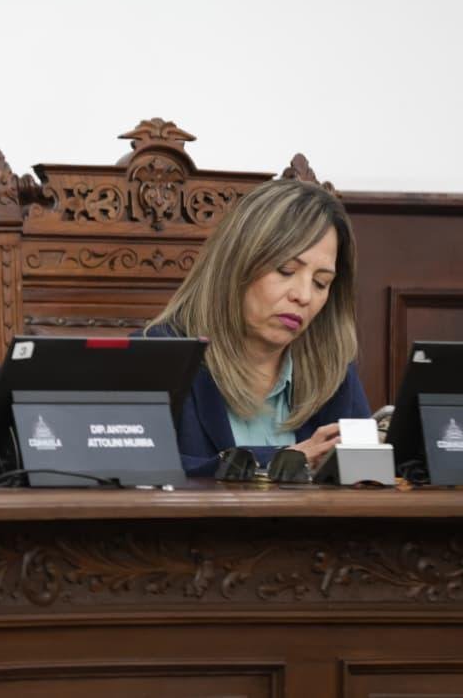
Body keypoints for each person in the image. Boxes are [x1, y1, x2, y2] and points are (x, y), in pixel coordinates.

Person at [143, 179, 370, 477]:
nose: (303, 295)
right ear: (236, 264)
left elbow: (365, 482)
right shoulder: (160, 357)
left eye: (320, 283)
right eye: (286, 271)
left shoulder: (333, 369)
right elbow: (134, 468)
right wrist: (283, 460)